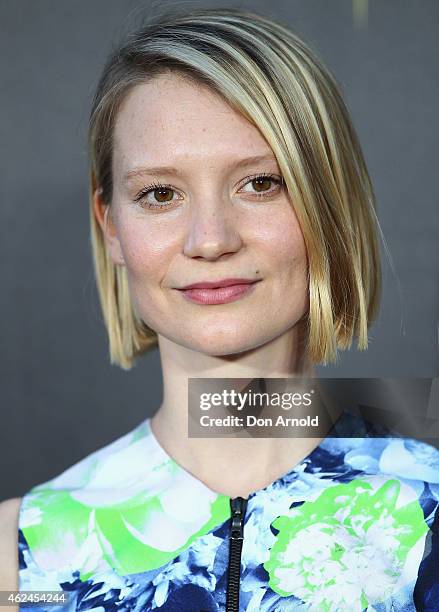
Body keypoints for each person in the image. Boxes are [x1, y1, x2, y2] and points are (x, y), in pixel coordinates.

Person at [1, 7, 438, 611]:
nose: (210, 239)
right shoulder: (18, 557)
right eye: (160, 194)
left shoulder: (429, 501)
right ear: (111, 229)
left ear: (328, 200)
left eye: (260, 183)